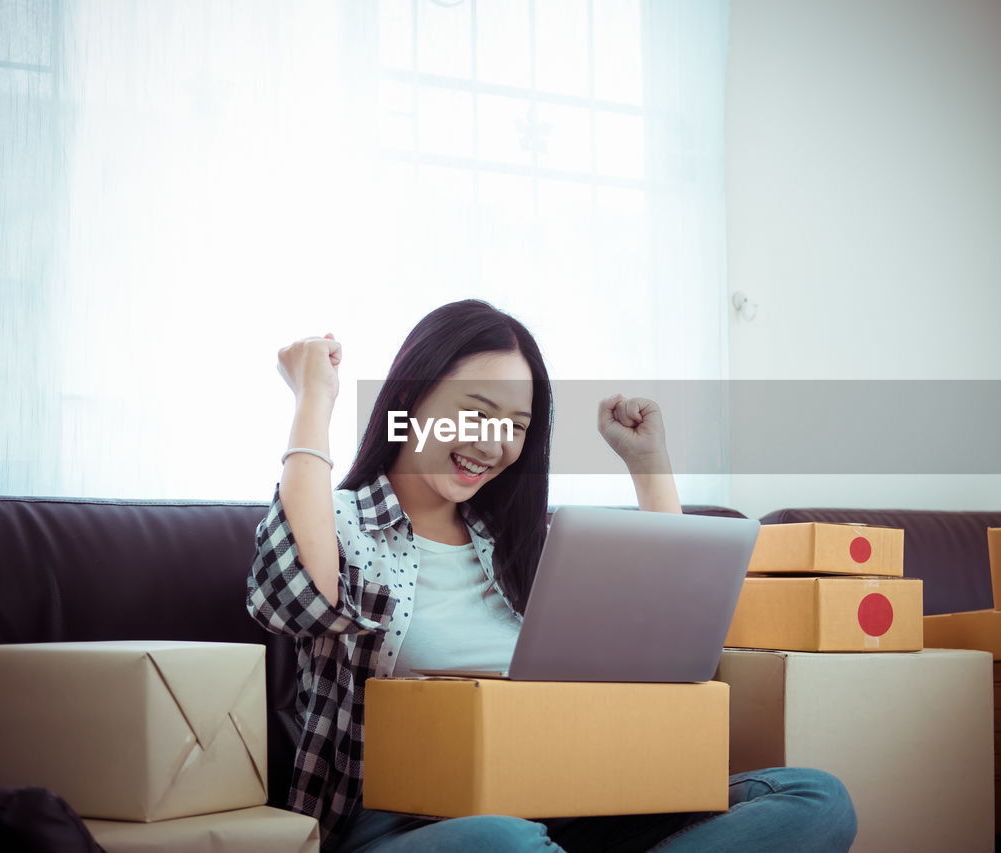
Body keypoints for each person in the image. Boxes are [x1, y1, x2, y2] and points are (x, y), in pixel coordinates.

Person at [247, 300, 857, 852]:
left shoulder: (526, 546)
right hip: (411, 826)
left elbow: (667, 637)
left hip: (566, 808)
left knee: (817, 799)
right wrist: (314, 399)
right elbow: (296, 600)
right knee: (505, 844)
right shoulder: (343, 524)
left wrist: (648, 464)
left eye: (515, 425)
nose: (493, 441)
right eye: (477, 411)